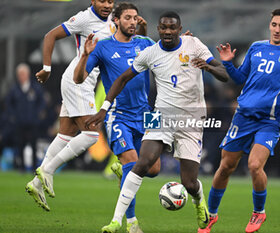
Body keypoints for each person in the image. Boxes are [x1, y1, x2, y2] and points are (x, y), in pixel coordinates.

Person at [85, 11, 229, 233]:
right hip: (160, 114)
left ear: (180, 29)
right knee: (142, 163)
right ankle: (117, 221)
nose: (168, 32)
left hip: (192, 118)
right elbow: (122, 78)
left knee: (189, 182)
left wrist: (208, 67)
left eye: (172, 28)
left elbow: (223, 74)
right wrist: (105, 108)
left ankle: (199, 201)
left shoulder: (193, 44)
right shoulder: (150, 53)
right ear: (158, 29)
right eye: (164, 28)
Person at [199, 8, 280, 233]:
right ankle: (211, 215)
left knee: (255, 165)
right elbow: (238, 78)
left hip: (270, 120)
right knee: (226, 166)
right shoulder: (256, 47)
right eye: (274, 24)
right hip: (243, 116)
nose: (277, 29)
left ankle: (259, 212)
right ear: (270, 25)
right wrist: (228, 63)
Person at [73, 3, 160, 232]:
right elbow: (79, 78)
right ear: (116, 21)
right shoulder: (102, 48)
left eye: (135, 18)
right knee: (132, 164)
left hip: (146, 115)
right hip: (117, 116)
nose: (132, 22)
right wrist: (85, 55)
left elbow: (163, 55)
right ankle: (130, 223)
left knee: (153, 169)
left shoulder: (144, 43)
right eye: (128, 18)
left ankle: (123, 171)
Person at [24, 0, 117, 212]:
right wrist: (46, 67)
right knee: (92, 135)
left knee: (65, 134)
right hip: (78, 81)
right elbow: (50, 35)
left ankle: (36, 184)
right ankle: (47, 169)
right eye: (102, 0)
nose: (107, 4)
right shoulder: (84, 18)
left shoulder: (113, 20)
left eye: (111, 1)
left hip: (84, 82)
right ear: (93, 0)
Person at [6, 63, 46, 172]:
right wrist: (13, 115)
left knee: (33, 145)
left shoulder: (35, 88)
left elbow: (42, 102)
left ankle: (34, 168)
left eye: (23, 74)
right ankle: (22, 168)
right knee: (20, 145)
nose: (21, 76)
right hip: (20, 122)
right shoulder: (14, 89)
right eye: (19, 74)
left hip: (33, 122)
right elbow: (9, 104)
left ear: (28, 74)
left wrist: (37, 114)